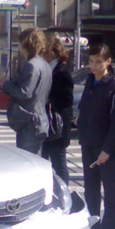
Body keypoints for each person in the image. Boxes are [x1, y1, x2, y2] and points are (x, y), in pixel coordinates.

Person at [77, 43, 115, 229]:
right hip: (88, 142)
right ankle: (94, 228)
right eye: (91, 61)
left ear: (108, 62)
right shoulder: (90, 81)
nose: (94, 66)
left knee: (111, 190)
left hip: (105, 147)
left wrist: (107, 149)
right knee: (91, 189)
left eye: (99, 61)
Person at [0, 27, 52, 155]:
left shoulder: (32, 65)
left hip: (30, 123)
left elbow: (24, 92)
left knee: (28, 161)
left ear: (25, 44)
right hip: (38, 120)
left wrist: (5, 84)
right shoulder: (44, 64)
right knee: (36, 159)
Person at [41, 38, 74, 184]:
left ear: (51, 53)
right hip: (48, 125)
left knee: (59, 164)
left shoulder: (61, 72)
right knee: (43, 162)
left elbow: (67, 101)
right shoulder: (51, 70)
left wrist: (49, 99)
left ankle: (64, 195)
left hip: (57, 126)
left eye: (43, 52)